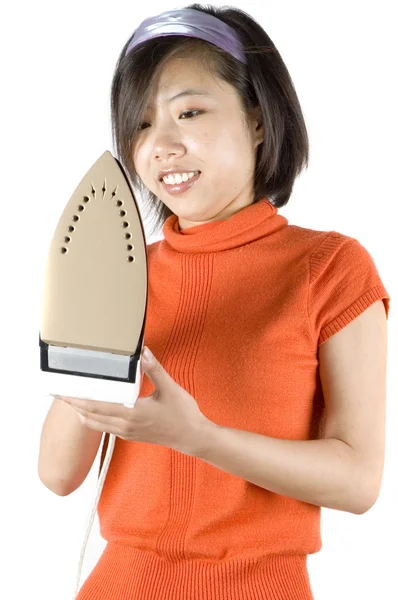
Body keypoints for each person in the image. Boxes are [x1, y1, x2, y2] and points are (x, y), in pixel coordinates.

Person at [50, 4, 391, 599]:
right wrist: (84, 316)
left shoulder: (330, 268)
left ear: (258, 120)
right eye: (141, 125)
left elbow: (357, 481)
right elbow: (57, 474)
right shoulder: (127, 273)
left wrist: (198, 436)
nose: (162, 144)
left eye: (190, 112)